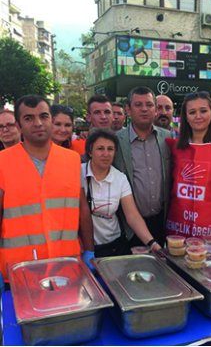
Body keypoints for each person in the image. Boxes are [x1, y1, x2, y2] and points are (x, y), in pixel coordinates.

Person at [0, 95, 94, 281]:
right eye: (29, 118)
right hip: (20, 270)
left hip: (66, 264)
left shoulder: (72, 160)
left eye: (43, 116)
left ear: (51, 119)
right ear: (18, 126)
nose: (38, 123)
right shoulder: (3, 162)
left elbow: (83, 210)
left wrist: (90, 250)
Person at [165, 92, 211, 243]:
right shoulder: (173, 147)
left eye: (203, 111)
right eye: (192, 112)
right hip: (177, 229)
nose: (198, 116)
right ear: (185, 117)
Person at [82, 129, 161, 257]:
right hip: (84, 246)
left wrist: (152, 243)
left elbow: (132, 216)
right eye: (100, 148)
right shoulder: (78, 173)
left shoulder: (120, 178)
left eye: (110, 149)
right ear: (90, 152)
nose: (106, 154)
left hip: (113, 245)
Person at [113, 87, 172, 247]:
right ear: (128, 110)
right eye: (138, 105)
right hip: (128, 226)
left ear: (155, 109)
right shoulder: (116, 141)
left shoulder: (168, 138)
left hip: (162, 222)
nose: (144, 109)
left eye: (149, 104)